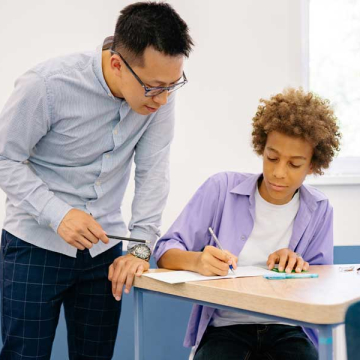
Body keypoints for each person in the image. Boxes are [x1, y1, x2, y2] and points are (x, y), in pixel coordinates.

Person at [0, 2, 193, 359]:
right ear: (117, 64)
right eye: (153, 87)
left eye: (172, 85)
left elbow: (153, 173)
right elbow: (5, 158)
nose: (163, 99)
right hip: (33, 246)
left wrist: (139, 248)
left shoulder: (159, 99)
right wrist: (58, 214)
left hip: (104, 253)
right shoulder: (47, 85)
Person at [153, 88, 341, 360]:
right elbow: (164, 251)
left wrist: (297, 266)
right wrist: (197, 261)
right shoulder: (221, 188)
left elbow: (321, 285)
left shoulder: (319, 209)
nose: (278, 172)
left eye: (295, 164)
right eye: (272, 157)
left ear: (312, 165)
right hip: (226, 328)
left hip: (288, 328)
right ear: (261, 147)